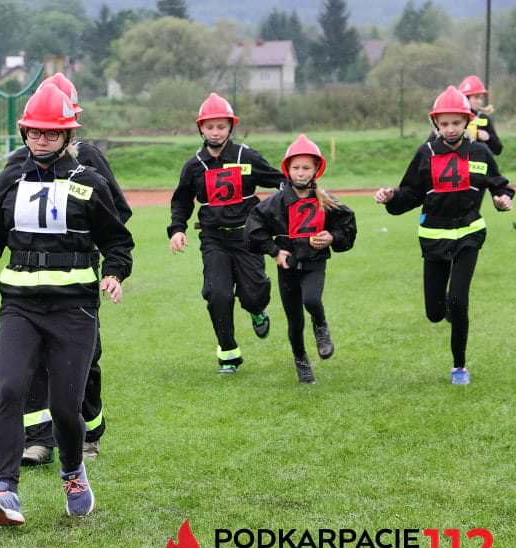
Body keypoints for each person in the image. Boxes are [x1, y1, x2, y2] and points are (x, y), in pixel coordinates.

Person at [0, 84, 134, 526]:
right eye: (34, 133)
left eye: (50, 134)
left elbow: (118, 240)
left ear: (67, 136)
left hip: (74, 311)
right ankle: (6, 490)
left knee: (63, 409)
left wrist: (114, 272)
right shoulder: (8, 181)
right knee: (10, 389)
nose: (41, 140)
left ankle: (73, 472)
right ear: (24, 133)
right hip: (19, 306)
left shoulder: (89, 182)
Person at [4, 73, 131, 466]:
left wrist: (89, 245)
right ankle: (38, 440)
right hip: (28, 284)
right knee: (33, 360)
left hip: (78, 278)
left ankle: (90, 432)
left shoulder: (89, 160)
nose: (43, 138)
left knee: (85, 358)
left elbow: (118, 214)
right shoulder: (17, 165)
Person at [374, 85, 512, 385]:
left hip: (469, 235)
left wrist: (502, 200)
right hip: (434, 237)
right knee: (435, 313)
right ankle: (447, 311)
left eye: (456, 122)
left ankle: (459, 367)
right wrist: (390, 198)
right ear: (436, 123)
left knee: (459, 301)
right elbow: (409, 193)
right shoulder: (425, 153)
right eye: (444, 123)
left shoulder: (480, 151)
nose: (450, 129)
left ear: (467, 121)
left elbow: (498, 184)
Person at [167, 92, 283, 374]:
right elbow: (182, 201)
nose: (215, 132)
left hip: (248, 238)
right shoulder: (193, 166)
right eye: (209, 127)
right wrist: (177, 229)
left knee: (254, 295)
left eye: (221, 126)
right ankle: (228, 353)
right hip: (213, 239)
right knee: (217, 295)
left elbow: (280, 180)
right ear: (200, 129)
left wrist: (290, 203)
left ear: (231, 127)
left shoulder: (247, 156)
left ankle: (257, 310)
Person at [245, 135, 357, 384]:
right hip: (289, 267)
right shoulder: (276, 202)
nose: (301, 172)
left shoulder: (325, 200)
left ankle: (321, 327)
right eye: (296, 167)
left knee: (312, 299)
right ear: (287, 169)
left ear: (316, 169)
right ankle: (301, 362)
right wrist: (275, 251)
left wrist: (332, 237)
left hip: (315, 262)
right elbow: (254, 227)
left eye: (306, 168)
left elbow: (346, 225)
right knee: (294, 322)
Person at [458, 75, 503, 156]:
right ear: (465, 98)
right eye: (476, 97)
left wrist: (488, 138)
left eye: (481, 98)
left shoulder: (483, 119)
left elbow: (498, 149)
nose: (479, 101)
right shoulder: (453, 118)